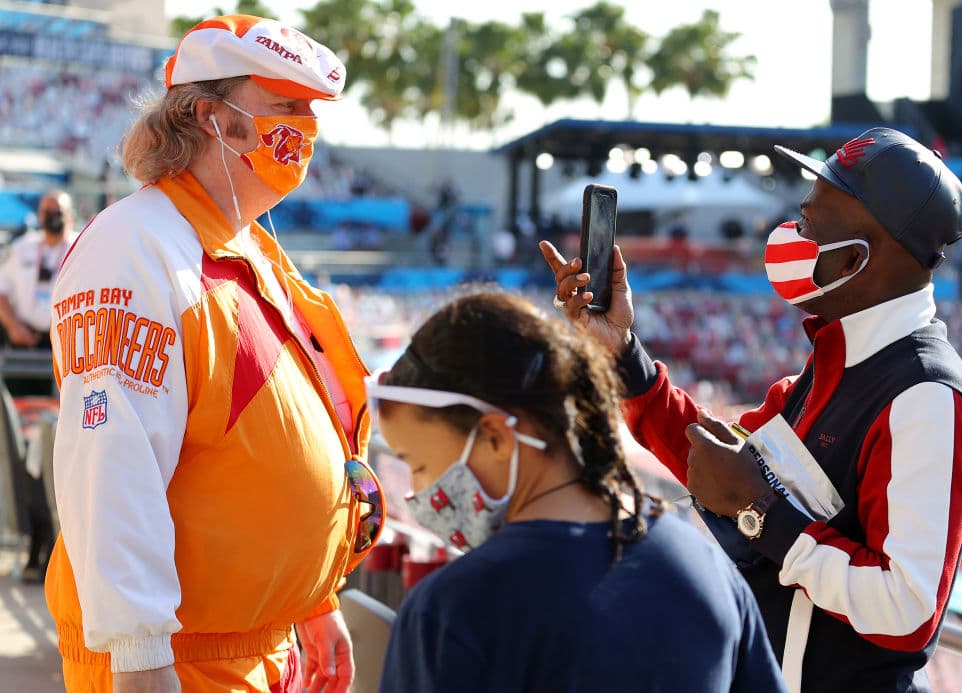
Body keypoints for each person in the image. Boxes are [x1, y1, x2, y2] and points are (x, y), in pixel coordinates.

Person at [541, 127, 962, 693]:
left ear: (854, 258)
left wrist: (760, 512)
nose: (790, 233)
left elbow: (906, 611)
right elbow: (714, 463)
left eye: (809, 224)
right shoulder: (834, 363)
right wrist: (622, 352)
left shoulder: (927, 396)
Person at [45, 15, 383, 693]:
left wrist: (312, 603)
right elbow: (112, 463)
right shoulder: (136, 247)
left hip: (255, 648)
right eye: (286, 106)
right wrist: (141, 658)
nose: (308, 127)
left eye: (311, 109)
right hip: (183, 660)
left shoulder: (242, 245)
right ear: (212, 118)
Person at [369, 292, 787, 693]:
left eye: (419, 465)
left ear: (496, 436)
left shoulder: (452, 610)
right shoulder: (703, 565)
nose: (419, 491)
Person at [0, 188, 76, 396]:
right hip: (24, 341)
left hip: (65, 347)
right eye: (47, 212)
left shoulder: (82, 248)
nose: (52, 217)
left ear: (69, 215)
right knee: (18, 405)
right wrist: (14, 327)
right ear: (39, 215)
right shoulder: (21, 247)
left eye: (57, 212)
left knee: (59, 408)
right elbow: (2, 291)